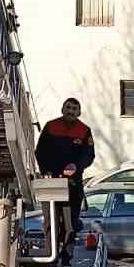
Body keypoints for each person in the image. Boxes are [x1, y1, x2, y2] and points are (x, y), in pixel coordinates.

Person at [35, 98, 96, 237]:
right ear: (62, 109)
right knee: (52, 220)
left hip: (73, 183)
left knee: (71, 221)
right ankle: (52, 249)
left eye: (74, 109)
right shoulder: (51, 126)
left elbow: (89, 155)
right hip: (51, 181)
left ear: (79, 112)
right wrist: (46, 170)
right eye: (68, 108)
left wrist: (77, 166)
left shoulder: (85, 130)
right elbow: (40, 151)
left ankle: (67, 252)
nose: (71, 111)